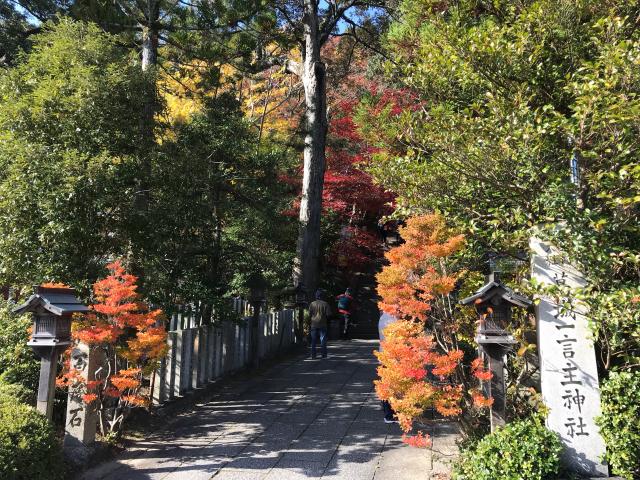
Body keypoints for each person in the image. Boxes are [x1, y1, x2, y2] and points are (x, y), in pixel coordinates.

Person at [378, 309, 398, 423]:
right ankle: (389, 414)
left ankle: (390, 413)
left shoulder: (384, 317)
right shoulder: (390, 318)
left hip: (386, 355)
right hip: (391, 356)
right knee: (389, 385)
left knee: (388, 384)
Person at [309, 290, 331, 359]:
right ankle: (324, 355)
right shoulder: (325, 304)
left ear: (316, 296)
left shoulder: (312, 304)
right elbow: (328, 314)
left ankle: (313, 355)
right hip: (323, 324)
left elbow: (309, 314)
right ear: (322, 296)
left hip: (314, 324)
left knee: (313, 340)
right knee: (323, 340)